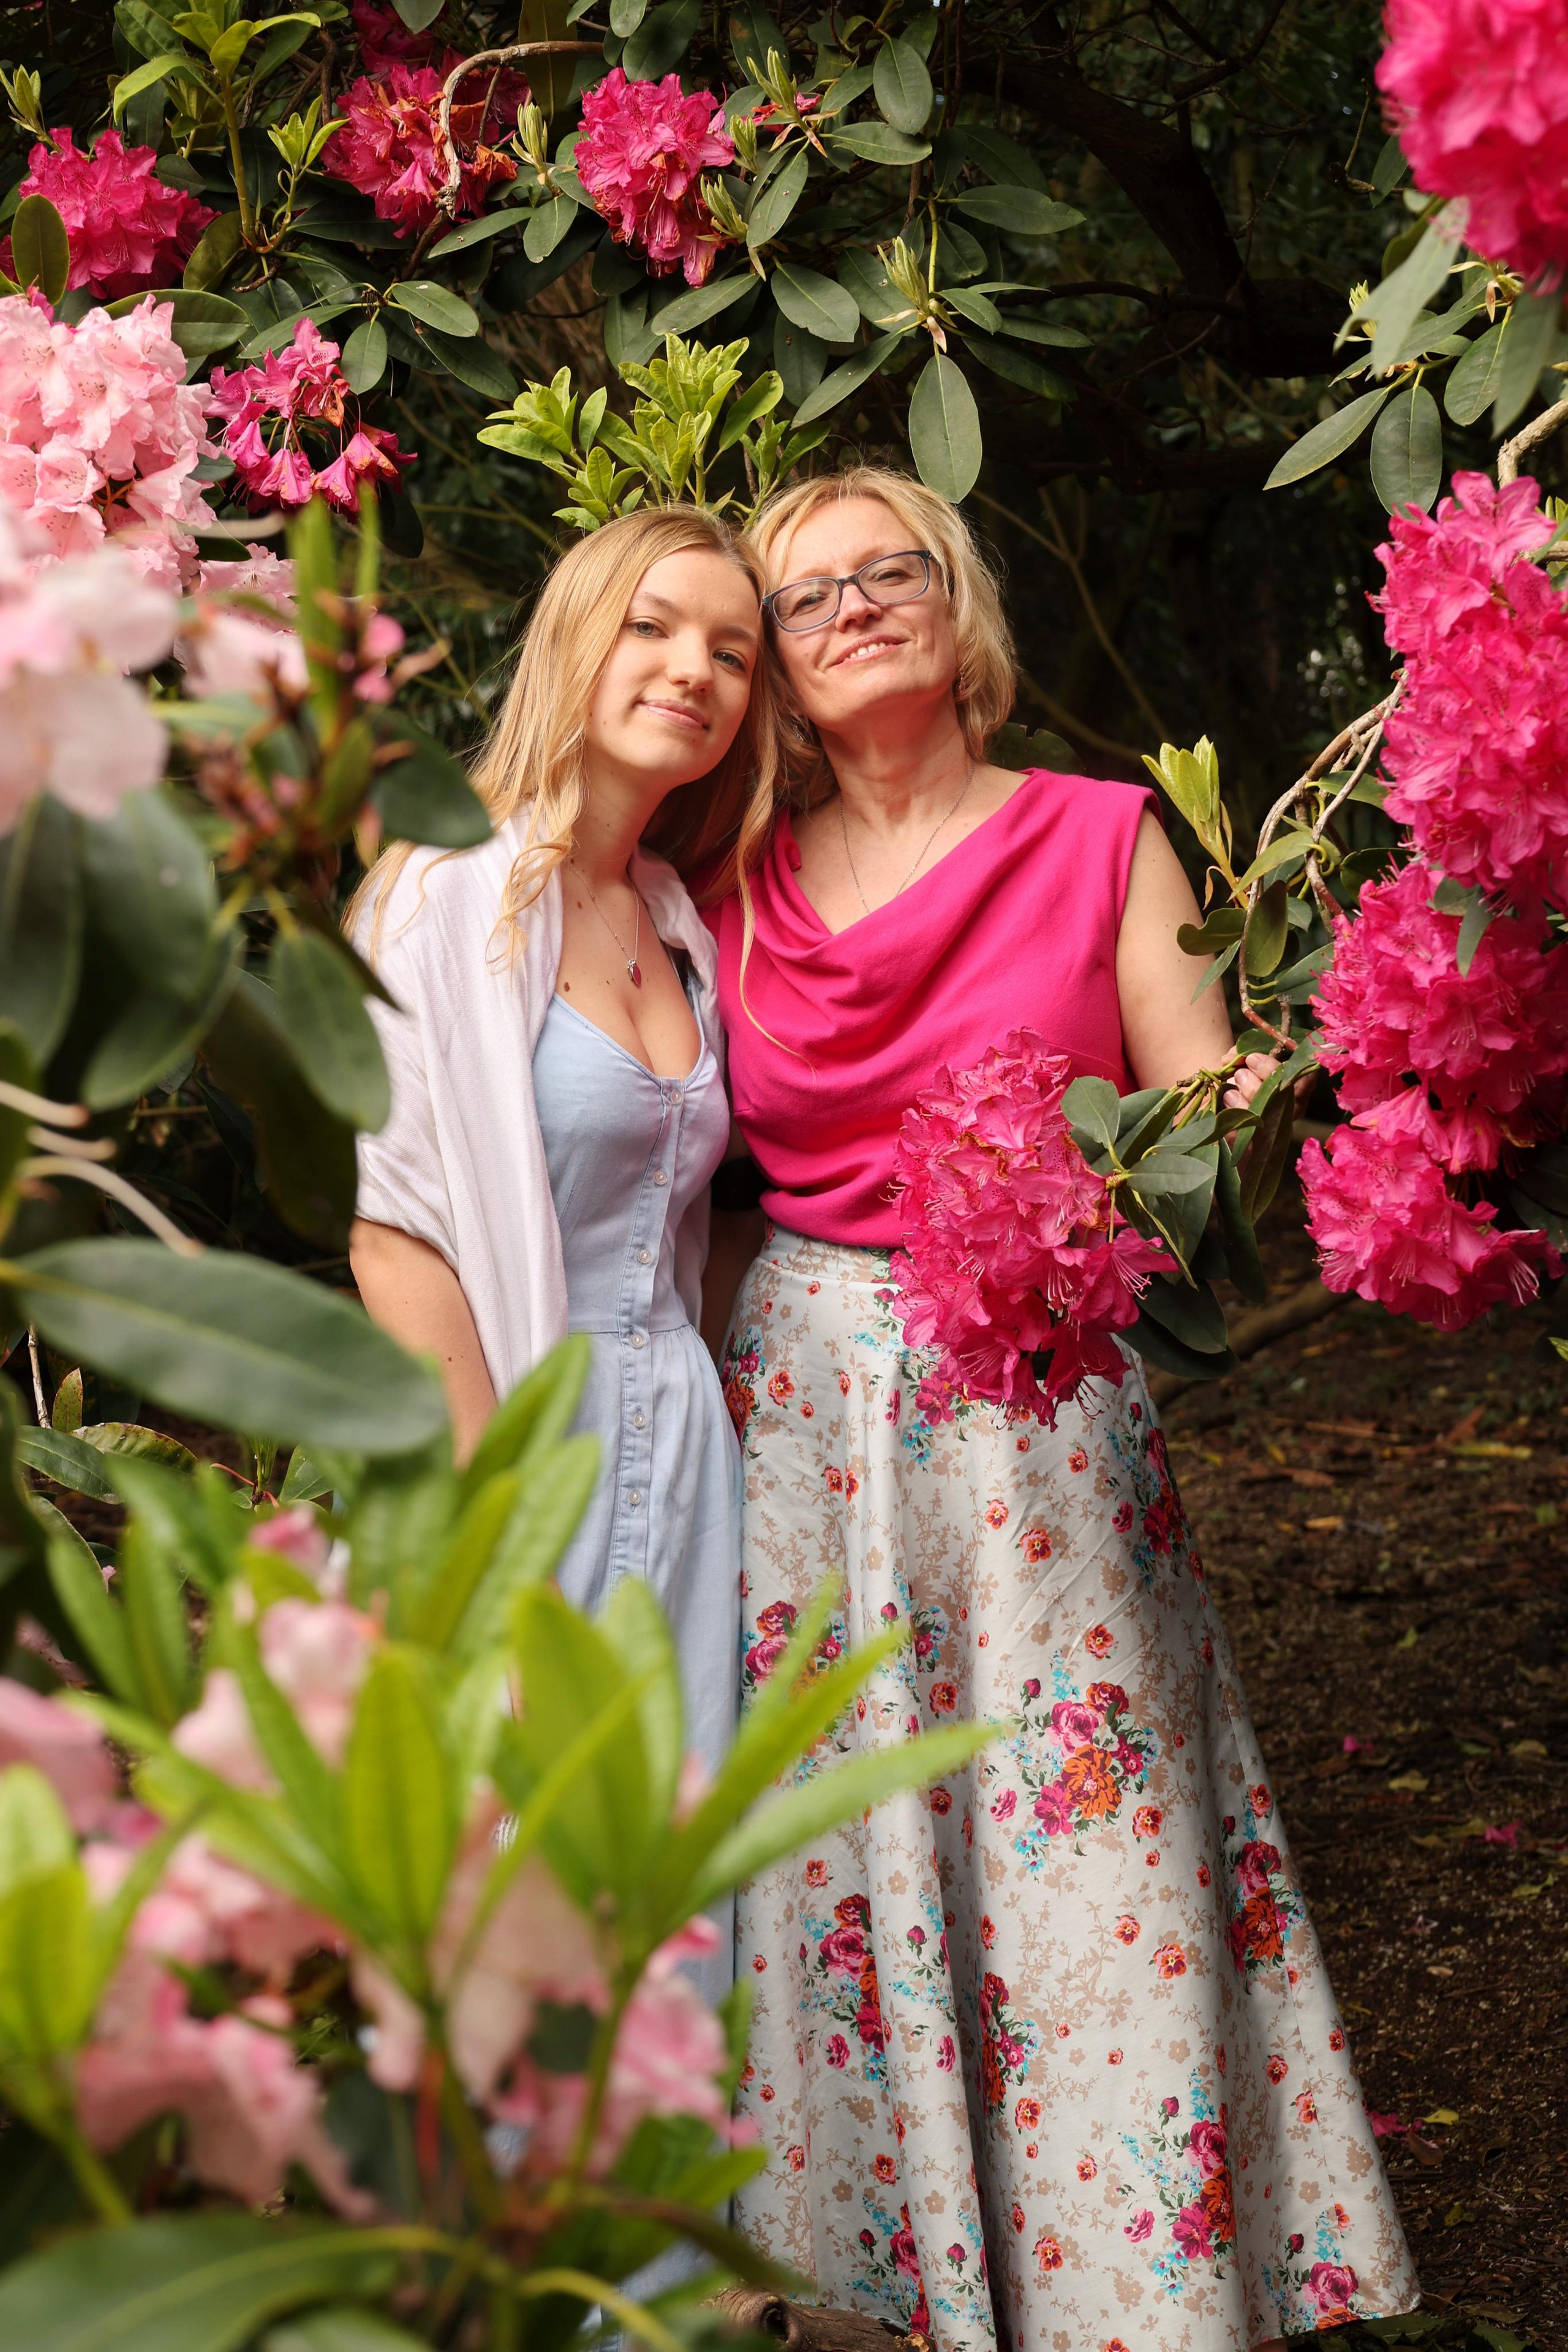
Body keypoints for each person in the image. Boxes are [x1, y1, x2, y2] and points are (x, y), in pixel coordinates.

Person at [701, 467, 1416, 2352]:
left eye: (889, 572)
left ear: (959, 611)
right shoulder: (726, 890)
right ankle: (883, 2301)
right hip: (802, 1433)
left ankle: (1140, 2301)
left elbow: (1208, 1115)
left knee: (1088, 1850)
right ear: (770, 663)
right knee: (841, 1874)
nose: (851, 608)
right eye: (806, 596)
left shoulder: (1103, 837)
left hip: (1036, 1414)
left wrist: (1100, 1194)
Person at [347, 507, 776, 1804]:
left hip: (685, 1447)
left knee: (673, 1885)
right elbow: (394, 1233)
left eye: (732, 652)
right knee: (517, 1873)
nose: (690, 670)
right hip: (515, 1431)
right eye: (650, 627)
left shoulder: (676, 916)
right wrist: (495, 1531)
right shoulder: (446, 892)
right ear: (575, 641)